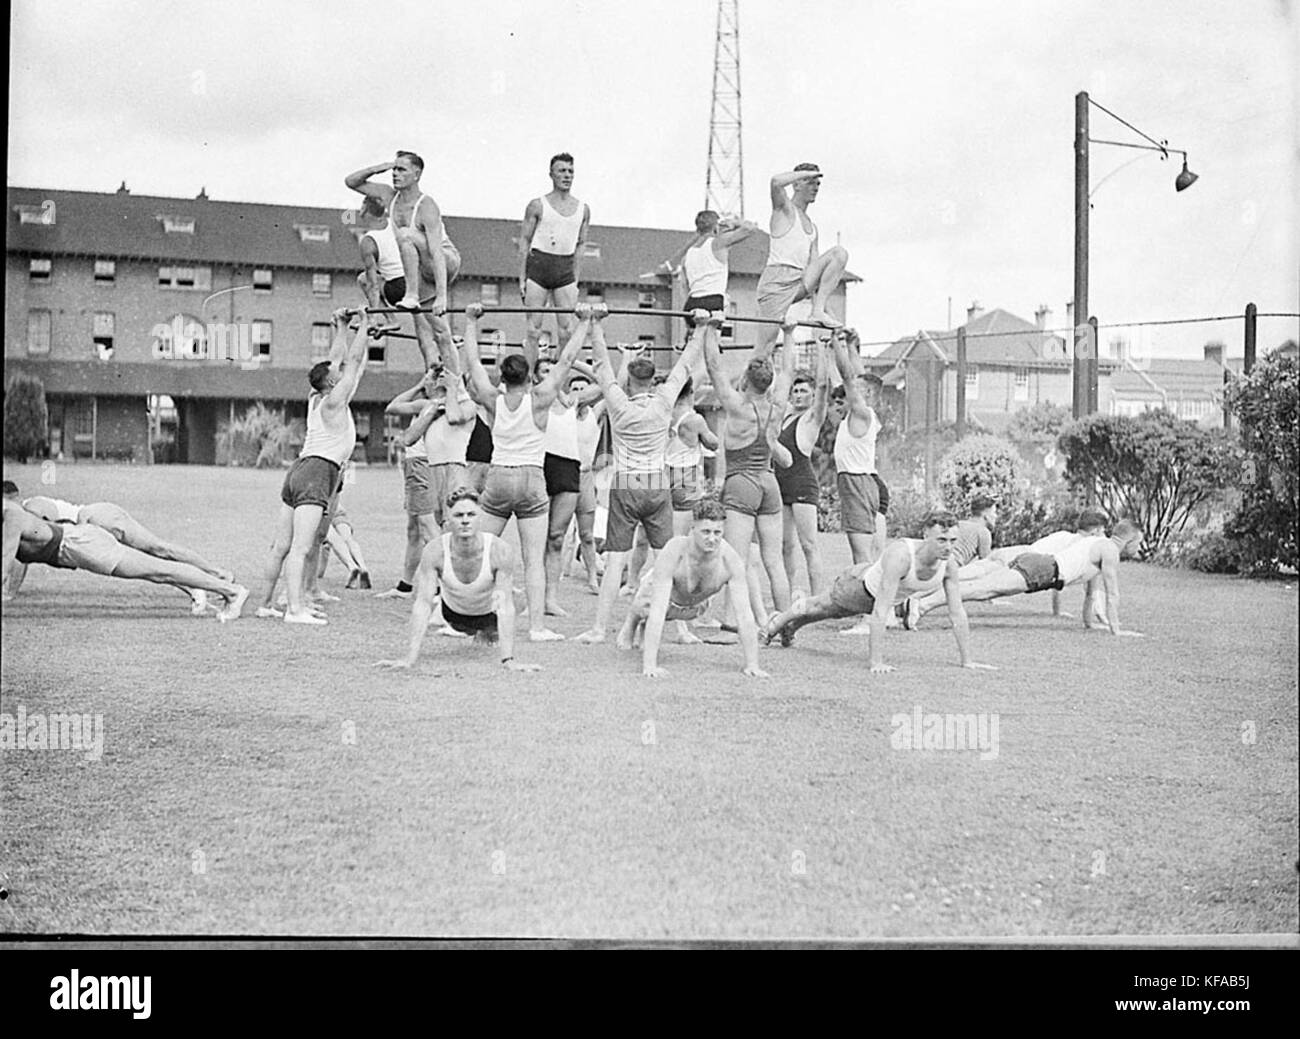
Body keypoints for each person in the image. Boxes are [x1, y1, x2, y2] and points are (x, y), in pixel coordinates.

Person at [461, 302, 592, 641]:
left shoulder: (492, 398)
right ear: (530, 377)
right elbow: (565, 362)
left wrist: (471, 322)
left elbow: (473, 362)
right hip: (532, 479)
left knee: (479, 549)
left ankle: (469, 618)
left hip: (500, 477)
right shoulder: (542, 396)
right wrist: (585, 323)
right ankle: (536, 627)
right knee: (533, 560)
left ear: (503, 378)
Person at [573, 309, 704, 644]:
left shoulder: (619, 402)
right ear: (652, 379)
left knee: (617, 561)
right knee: (667, 559)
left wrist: (595, 325)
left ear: (630, 380)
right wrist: (700, 330)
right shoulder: (663, 402)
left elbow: (602, 368)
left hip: (629, 484)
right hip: (656, 485)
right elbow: (685, 366)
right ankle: (683, 629)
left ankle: (600, 628)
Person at [761, 510, 996, 673]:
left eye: (953, 540)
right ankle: (776, 622)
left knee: (823, 612)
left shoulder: (949, 565)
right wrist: (876, 662)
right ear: (926, 534)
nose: (948, 547)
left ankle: (788, 628)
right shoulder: (902, 556)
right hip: (856, 587)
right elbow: (881, 610)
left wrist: (968, 661)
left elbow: (957, 614)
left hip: (870, 595)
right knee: (819, 607)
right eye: (942, 540)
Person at [258, 307, 367, 625]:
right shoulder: (334, 401)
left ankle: (266, 604)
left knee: (282, 545)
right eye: (337, 374)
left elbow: (336, 360)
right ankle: (295, 609)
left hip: (301, 471)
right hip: (317, 473)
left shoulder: (315, 395)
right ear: (331, 384)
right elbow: (355, 363)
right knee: (302, 547)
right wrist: (366, 323)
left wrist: (344, 328)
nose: (341, 372)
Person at [376, 488, 541, 672]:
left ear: (480, 517)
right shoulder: (435, 551)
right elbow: (423, 603)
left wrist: (508, 660)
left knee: (511, 601)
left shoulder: (499, 550)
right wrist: (409, 658)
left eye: (471, 514)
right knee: (439, 607)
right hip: (453, 615)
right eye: (458, 515)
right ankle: (459, 626)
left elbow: (504, 606)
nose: (464, 520)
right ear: (448, 518)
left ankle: (486, 632)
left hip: (489, 617)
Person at [2, 498, 248, 620]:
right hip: (81, 543)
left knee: (160, 565)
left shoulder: (16, 514)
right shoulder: (13, 517)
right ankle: (217, 587)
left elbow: (5, 567)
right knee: (159, 569)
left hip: (82, 542)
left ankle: (229, 588)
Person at [702, 316, 797, 626]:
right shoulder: (778, 404)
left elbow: (714, 368)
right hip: (769, 483)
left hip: (742, 483)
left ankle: (732, 624)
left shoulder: (737, 406)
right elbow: (789, 371)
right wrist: (789, 333)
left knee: (736, 558)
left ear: (746, 379)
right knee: (774, 560)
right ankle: (784, 625)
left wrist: (708, 329)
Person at [915, 518, 1146, 637]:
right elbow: (1112, 594)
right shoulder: (1110, 552)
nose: (1140, 548)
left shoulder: (1097, 543)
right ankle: (921, 606)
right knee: (981, 589)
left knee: (980, 585)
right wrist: (1117, 630)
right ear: (1130, 540)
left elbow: (1089, 595)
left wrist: (1089, 624)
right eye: (1139, 542)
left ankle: (917, 598)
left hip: (1038, 562)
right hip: (1043, 569)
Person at [619, 500, 768, 679]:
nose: (712, 539)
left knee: (672, 601)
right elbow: (658, 610)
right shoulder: (674, 550)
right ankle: (631, 624)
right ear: (692, 528)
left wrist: (752, 665)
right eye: (705, 532)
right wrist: (650, 665)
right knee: (649, 591)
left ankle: (644, 628)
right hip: (661, 600)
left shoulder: (731, 561)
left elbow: (744, 615)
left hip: (696, 606)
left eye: (717, 532)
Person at [345, 152, 460, 369]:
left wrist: (442, 297)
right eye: (394, 169)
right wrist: (381, 166)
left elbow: (436, 253)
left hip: (445, 259)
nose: (395, 174)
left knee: (406, 235)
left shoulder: (426, 206)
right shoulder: (389, 196)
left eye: (401, 170)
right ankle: (457, 386)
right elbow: (351, 181)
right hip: (418, 271)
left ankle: (412, 295)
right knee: (440, 331)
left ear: (416, 174)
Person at [755, 163, 849, 351]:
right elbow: (775, 182)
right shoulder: (784, 209)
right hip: (777, 282)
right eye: (809, 182)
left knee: (839, 253)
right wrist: (804, 174)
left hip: (799, 281)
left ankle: (818, 311)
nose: (815, 187)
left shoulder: (813, 227)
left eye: (817, 183)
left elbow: (817, 272)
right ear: (796, 184)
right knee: (764, 350)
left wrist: (826, 310)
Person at [537, 357, 604, 616]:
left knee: (560, 537)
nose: (550, 374)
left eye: (553, 371)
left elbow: (605, 383)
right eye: (544, 371)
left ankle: (554, 597)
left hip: (575, 474)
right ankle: (536, 595)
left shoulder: (572, 404)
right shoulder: (534, 400)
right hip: (541, 469)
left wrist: (573, 363)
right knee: (538, 537)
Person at [375, 368, 443, 601]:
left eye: (432, 378)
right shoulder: (426, 402)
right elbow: (392, 407)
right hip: (414, 467)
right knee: (414, 530)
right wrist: (419, 385)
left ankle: (444, 587)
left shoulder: (441, 406)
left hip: (424, 466)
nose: (428, 382)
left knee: (428, 527)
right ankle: (405, 586)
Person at [519, 152, 591, 369]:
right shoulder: (537, 205)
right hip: (539, 267)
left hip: (564, 270)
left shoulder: (583, 209)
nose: (567, 175)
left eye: (570, 171)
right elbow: (524, 240)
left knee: (567, 330)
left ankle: (558, 380)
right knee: (533, 330)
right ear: (551, 174)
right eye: (562, 171)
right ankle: (529, 380)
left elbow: (581, 245)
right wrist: (522, 278)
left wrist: (575, 280)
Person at [776, 340, 832, 598]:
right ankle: (787, 597)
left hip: (802, 484)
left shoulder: (812, 417)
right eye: (796, 391)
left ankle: (818, 599)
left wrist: (823, 350)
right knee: (786, 546)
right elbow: (780, 381)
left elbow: (823, 385)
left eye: (803, 392)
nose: (798, 395)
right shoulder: (786, 414)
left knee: (809, 545)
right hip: (781, 485)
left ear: (811, 397)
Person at [665, 210, 760, 330]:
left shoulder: (687, 255)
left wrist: (688, 309)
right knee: (711, 343)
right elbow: (751, 228)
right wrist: (734, 222)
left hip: (692, 303)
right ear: (716, 227)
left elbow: (684, 286)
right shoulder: (717, 243)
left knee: (696, 342)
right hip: (712, 300)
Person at [663, 376, 718, 536]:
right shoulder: (695, 419)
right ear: (691, 393)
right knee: (684, 535)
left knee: (667, 532)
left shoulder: (665, 414)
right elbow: (713, 444)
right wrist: (703, 434)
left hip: (665, 473)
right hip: (687, 476)